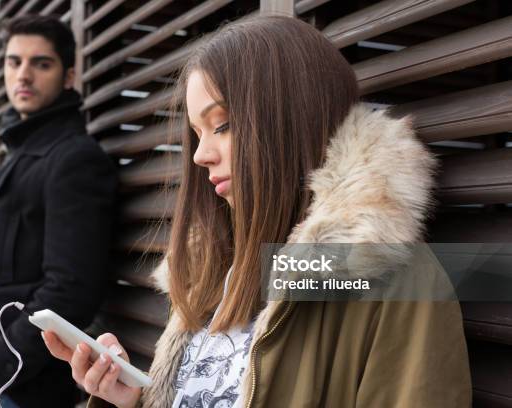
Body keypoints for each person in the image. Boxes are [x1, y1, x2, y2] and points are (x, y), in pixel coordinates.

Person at [43, 15, 472, 408]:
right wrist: (127, 401)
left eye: (223, 125)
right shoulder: (214, 271)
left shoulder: (402, 283)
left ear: (291, 117)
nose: (200, 156)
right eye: (197, 134)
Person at [0, 14, 118, 408]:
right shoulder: (19, 156)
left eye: (41, 63)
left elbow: (71, 289)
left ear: (68, 76)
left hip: (7, 387)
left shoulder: (73, 158)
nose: (24, 75)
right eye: (14, 62)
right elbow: (8, 268)